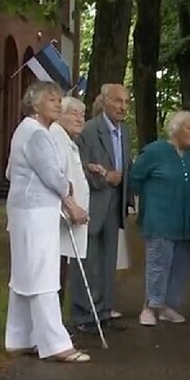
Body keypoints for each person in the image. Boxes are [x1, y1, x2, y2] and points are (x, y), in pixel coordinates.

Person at [4, 81, 90, 363]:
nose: (58, 104)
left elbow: (9, 172)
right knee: (43, 276)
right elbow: (52, 175)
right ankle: (55, 344)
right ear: (35, 103)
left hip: (25, 211)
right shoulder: (37, 135)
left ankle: (20, 337)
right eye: (51, 99)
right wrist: (70, 197)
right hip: (36, 213)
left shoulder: (26, 131)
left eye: (58, 99)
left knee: (24, 276)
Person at [71, 83, 132, 333]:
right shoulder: (89, 130)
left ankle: (104, 311)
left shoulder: (124, 131)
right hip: (94, 202)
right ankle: (84, 315)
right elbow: (80, 166)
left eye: (126, 102)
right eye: (118, 101)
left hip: (115, 202)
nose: (123, 107)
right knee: (88, 260)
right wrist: (104, 178)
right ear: (104, 101)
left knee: (108, 261)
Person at [131, 111, 190, 326]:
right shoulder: (155, 151)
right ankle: (150, 307)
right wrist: (141, 204)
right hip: (159, 217)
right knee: (158, 263)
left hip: (184, 220)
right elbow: (135, 178)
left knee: (180, 265)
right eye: (189, 127)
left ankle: (166, 306)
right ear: (176, 128)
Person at [49, 96, 89, 308]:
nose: (80, 118)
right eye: (74, 113)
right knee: (54, 277)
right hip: (59, 219)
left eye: (82, 114)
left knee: (61, 275)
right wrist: (71, 205)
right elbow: (58, 177)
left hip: (68, 221)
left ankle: (56, 328)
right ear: (59, 115)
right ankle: (52, 331)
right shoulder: (55, 138)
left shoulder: (67, 140)